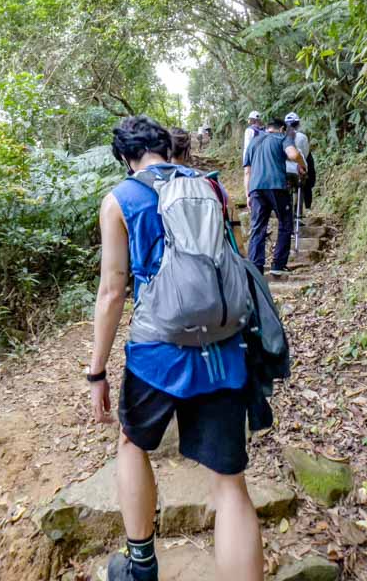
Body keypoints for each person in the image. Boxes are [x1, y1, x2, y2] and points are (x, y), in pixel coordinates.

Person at [89, 116, 264, 581]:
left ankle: (140, 566)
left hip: (157, 353)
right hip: (223, 351)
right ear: (167, 149)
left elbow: (112, 291)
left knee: (131, 442)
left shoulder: (120, 200)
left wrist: (96, 371)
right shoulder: (211, 187)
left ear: (126, 157)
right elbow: (235, 259)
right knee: (231, 487)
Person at [243, 118, 306, 275]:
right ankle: (278, 265)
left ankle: (256, 269)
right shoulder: (282, 138)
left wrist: (248, 194)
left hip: (256, 188)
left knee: (258, 227)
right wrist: (302, 164)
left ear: (267, 128)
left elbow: (247, 172)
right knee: (285, 223)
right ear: (282, 129)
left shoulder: (254, 142)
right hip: (277, 186)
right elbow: (293, 154)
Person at [283, 112, 311, 214]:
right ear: (298, 124)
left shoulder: (282, 136)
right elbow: (305, 153)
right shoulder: (302, 137)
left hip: (284, 169)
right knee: (299, 190)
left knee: (287, 192)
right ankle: (298, 214)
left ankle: (287, 214)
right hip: (298, 169)